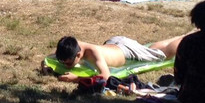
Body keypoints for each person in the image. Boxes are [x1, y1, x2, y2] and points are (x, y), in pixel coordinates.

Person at [50, 33, 186, 82]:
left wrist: (76, 79)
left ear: (78, 55)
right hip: (114, 43)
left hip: (126, 50)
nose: (65, 65)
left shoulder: (93, 53)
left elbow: (105, 76)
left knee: (163, 55)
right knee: (152, 49)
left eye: (69, 63)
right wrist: (45, 65)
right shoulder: (72, 45)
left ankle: (186, 38)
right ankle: (181, 36)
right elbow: (50, 56)